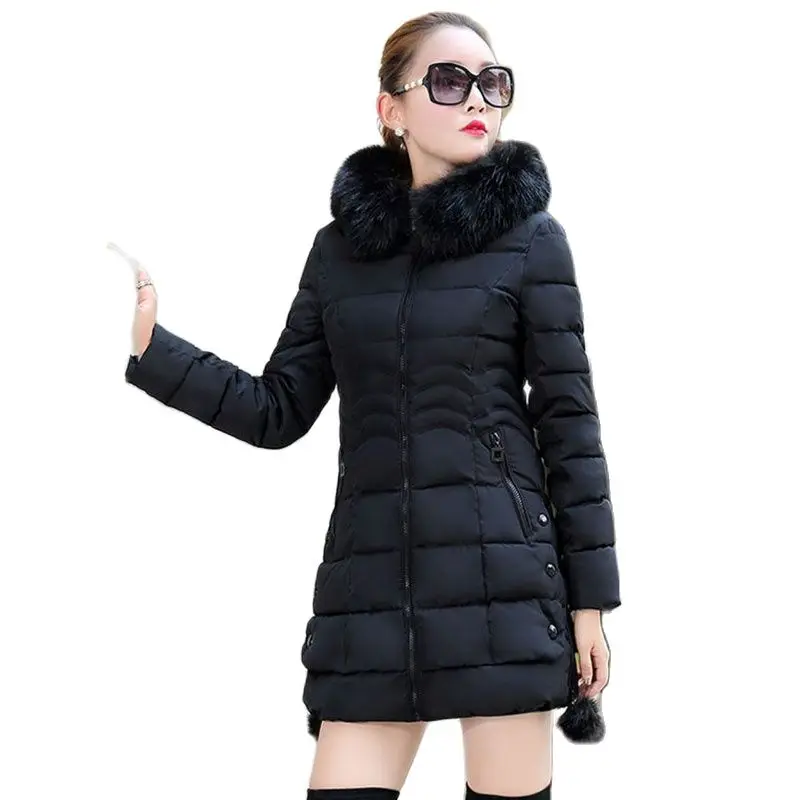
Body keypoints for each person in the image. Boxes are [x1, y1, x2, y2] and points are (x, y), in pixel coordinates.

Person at [124, 11, 621, 800]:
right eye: (449, 80)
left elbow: (571, 428)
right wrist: (155, 350)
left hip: (508, 589)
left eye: (493, 83)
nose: (477, 99)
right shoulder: (339, 252)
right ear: (391, 109)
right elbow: (277, 408)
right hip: (372, 598)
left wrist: (591, 604)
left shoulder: (532, 240)